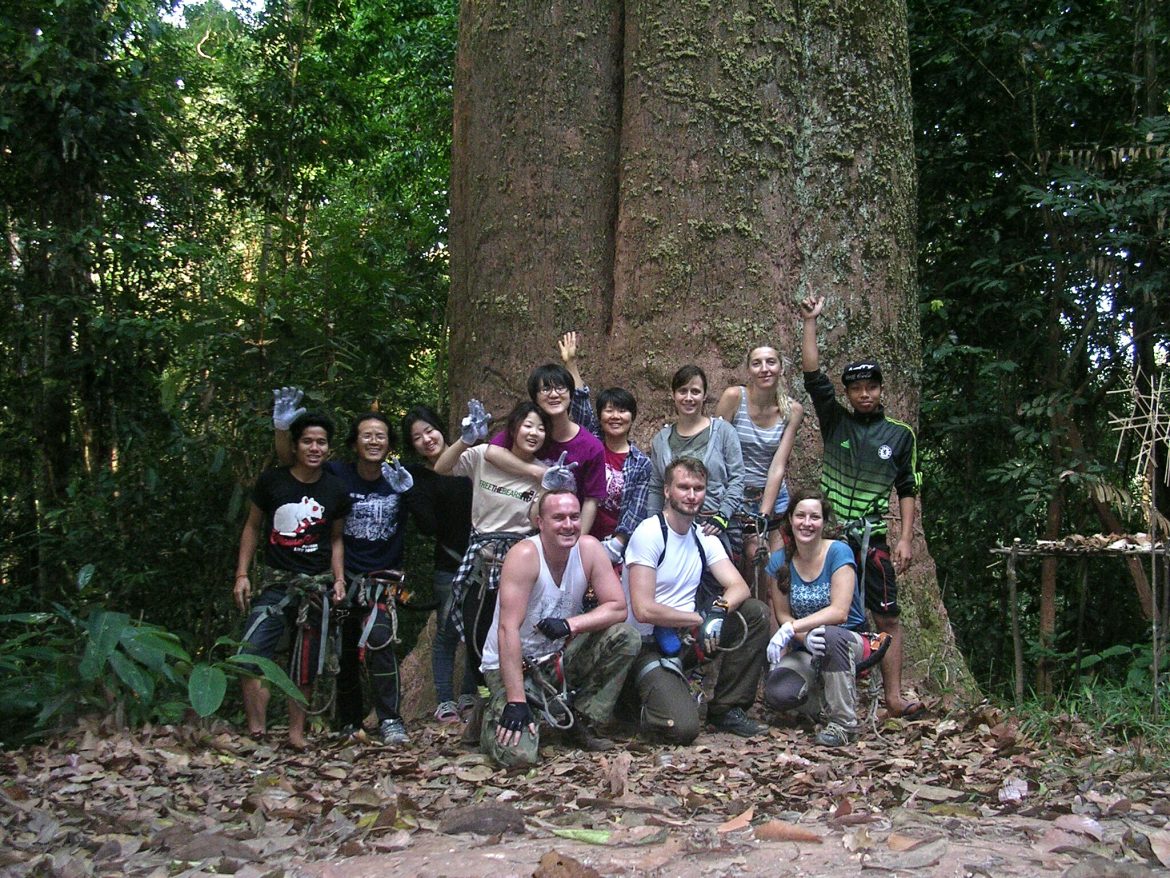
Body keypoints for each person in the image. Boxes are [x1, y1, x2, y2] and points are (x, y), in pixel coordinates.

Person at [800, 294, 924, 719]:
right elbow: (813, 376)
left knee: (887, 615)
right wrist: (811, 321)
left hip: (874, 538)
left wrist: (906, 538)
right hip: (831, 539)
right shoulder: (837, 420)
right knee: (831, 614)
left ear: (882, 389)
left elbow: (907, 487)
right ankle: (829, 697)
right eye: (856, 388)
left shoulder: (900, 434)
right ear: (849, 393)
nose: (865, 394)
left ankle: (893, 697)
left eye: (871, 386)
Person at [272, 390, 414, 744]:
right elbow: (292, 468)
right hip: (343, 575)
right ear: (354, 443)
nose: (373, 441)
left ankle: (391, 719)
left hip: (382, 578)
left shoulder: (399, 477)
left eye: (380, 435)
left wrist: (411, 491)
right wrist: (280, 429)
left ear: (389, 443)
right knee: (345, 647)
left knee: (380, 641)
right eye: (366, 435)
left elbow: (429, 512)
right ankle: (350, 720)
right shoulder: (336, 474)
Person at [479, 489, 641, 766]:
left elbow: (617, 607)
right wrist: (516, 701)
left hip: (556, 658)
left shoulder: (589, 549)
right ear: (540, 523)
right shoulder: (525, 555)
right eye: (559, 518)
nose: (568, 525)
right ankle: (495, 712)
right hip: (513, 665)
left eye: (574, 517)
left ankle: (578, 720)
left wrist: (569, 624)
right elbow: (507, 630)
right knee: (518, 757)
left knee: (625, 636)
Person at [621, 457, 770, 742]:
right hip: (648, 644)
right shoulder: (650, 533)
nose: (691, 495)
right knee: (683, 729)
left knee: (755, 613)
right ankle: (636, 699)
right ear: (667, 491)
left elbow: (739, 587)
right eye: (683, 487)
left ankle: (727, 708)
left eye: (698, 488)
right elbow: (643, 609)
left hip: (686, 638)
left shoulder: (702, 535)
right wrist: (699, 618)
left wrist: (718, 611)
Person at [234, 410, 351, 750]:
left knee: (306, 663)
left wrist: (339, 579)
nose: (315, 448)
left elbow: (336, 538)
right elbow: (253, 526)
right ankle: (257, 728)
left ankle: (296, 733)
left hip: (315, 586)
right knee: (252, 652)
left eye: (322, 442)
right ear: (296, 446)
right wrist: (242, 573)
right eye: (308, 441)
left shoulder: (335, 489)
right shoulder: (274, 481)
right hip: (276, 584)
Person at [433, 400, 549, 683]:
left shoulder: (545, 471)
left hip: (517, 559)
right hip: (480, 558)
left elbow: (535, 518)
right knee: (476, 625)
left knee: (513, 627)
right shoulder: (483, 456)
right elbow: (441, 467)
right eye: (528, 425)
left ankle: (514, 689)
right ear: (514, 428)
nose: (534, 433)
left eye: (541, 428)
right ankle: (484, 691)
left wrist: (547, 486)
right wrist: (465, 440)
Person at [762, 489, 870, 746]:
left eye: (814, 517)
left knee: (830, 635)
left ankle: (844, 723)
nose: (807, 523)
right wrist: (803, 636)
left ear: (824, 522)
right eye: (800, 516)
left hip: (848, 640)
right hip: (807, 647)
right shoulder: (779, 561)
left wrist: (792, 629)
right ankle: (818, 704)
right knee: (779, 693)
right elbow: (783, 614)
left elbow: (839, 611)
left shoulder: (838, 552)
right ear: (790, 519)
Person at [401, 406, 479, 725]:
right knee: (447, 632)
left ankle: (468, 696)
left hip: (483, 560)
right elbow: (428, 527)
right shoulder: (418, 476)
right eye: (417, 438)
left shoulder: (471, 459)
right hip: (449, 564)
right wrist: (409, 491)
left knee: (478, 630)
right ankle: (445, 700)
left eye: (429, 430)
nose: (426, 439)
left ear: (440, 428)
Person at [556, 330, 651, 561]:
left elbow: (635, 510)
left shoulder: (641, 463)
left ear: (632, 417)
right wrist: (571, 364)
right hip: (571, 533)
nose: (615, 416)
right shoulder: (591, 443)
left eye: (622, 410)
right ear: (600, 416)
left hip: (612, 544)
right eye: (609, 410)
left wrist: (617, 545)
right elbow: (580, 403)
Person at [715, 345, 804, 587]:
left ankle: (777, 622)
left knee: (772, 568)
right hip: (734, 495)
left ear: (781, 367)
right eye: (757, 363)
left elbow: (778, 465)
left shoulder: (792, 411)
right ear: (748, 370)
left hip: (771, 497)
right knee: (739, 565)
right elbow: (716, 452)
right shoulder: (734, 398)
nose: (764, 369)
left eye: (771, 362)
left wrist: (763, 515)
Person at [485, 363, 607, 534]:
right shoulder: (529, 434)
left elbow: (591, 501)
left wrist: (576, 541)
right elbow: (492, 452)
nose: (554, 394)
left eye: (560, 388)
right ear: (535, 398)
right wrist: (539, 472)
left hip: (566, 528)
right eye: (546, 389)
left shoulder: (591, 446)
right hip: (521, 525)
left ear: (571, 395)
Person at [645, 365, 745, 553]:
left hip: (714, 527)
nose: (689, 398)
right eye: (683, 391)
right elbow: (656, 486)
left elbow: (737, 478)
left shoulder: (723, 432)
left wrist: (723, 515)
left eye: (695, 391)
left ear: (705, 395)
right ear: (673, 395)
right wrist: (653, 525)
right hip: (674, 529)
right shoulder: (661, 440)